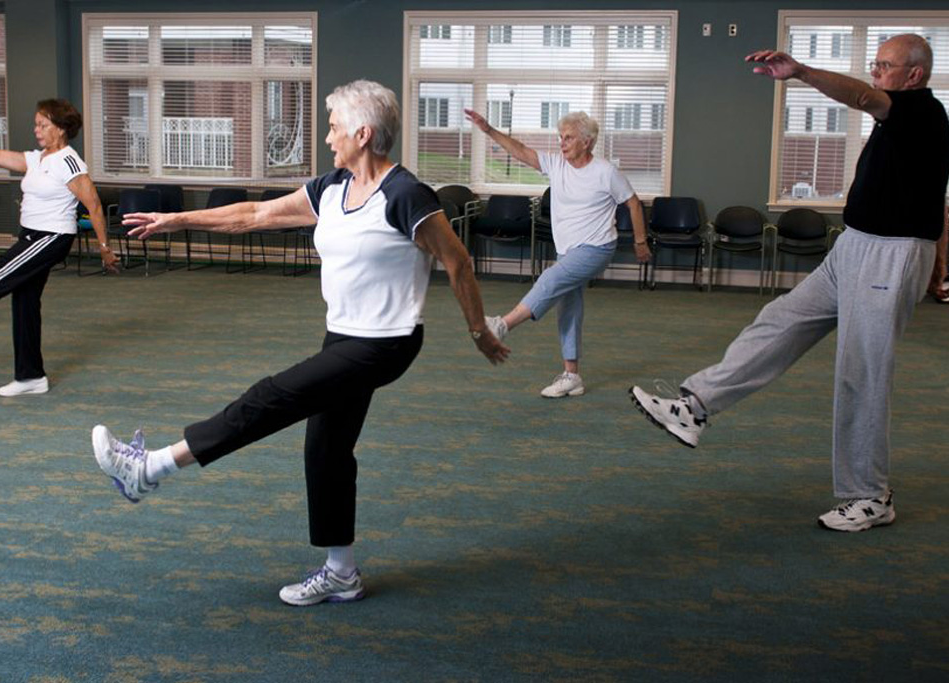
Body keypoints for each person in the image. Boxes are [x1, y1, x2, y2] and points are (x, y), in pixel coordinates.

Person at [91, 80, 510, 606]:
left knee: (271, 397)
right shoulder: (332, 187)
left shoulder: (405, 195)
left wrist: (479, 331)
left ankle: (148, 469)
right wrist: (178, 219)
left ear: (364, 133)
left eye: (335, 127)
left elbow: (458, 261)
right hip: (342, 335)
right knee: (327, 448)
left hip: (385, 343)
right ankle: (341, 572)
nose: (329, 137)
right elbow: (254, 215)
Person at [629, 34, 949, 532]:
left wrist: (799, 73)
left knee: (861, 374)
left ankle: (869, 495)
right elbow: (935, 195)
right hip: (854, 246)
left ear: (914, 75)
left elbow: (864, 98)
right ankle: (694, 406)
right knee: (780, 320)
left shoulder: (922, 112)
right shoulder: (901, 124)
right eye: (874, 64)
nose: (874, 74)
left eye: (884, 66)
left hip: (890, 255)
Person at [0, 99, 119, 396]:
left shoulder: (69, 161)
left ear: (62, 128)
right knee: (25, 302)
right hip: (30, 236)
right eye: (36, 124)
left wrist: (105, 248)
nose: (36, 129)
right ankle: (31, 376)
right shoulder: (38, 158)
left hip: (49, 238)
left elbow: (92, 204)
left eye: (43, 125)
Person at [464, 108, 650, 398]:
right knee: (569, 307)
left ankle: (501, 325)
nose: (562, 143)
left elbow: (634, 204)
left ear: (586, 142)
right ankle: (571, 375)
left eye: (569, 138)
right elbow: (521, 151)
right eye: (560, 137)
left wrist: (640, 242)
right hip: (568, 250)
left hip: (597, 247)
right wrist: (488, 130)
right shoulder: (556, 164)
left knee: (550, 280)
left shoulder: (605, 172)